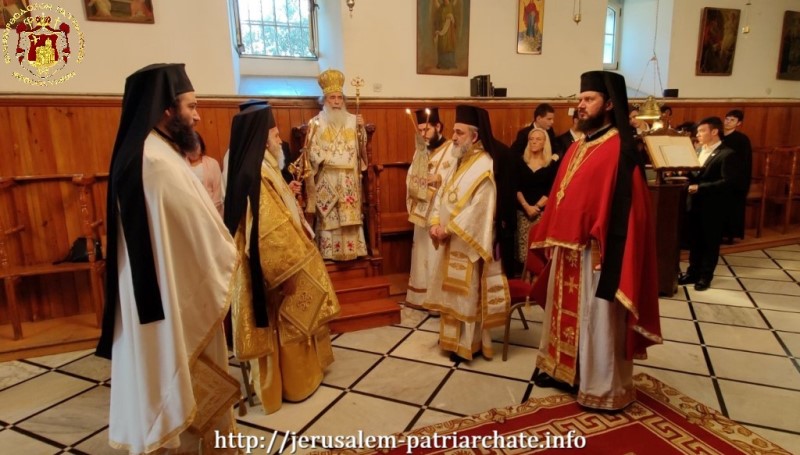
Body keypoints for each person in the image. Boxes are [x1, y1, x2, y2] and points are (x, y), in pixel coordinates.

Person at [95, 64, 239, 453]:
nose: (197, 114)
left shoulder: (150, 150)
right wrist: (229, 251)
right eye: (190, 105)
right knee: (177, 377)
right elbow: (200, 232)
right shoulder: (156, 161)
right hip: (171, 296)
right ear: (166, 110)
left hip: (159, 292)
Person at [529, 71, 661, 411]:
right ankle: (562, 370)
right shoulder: (576, 147)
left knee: (596, 320)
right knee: (565, 314)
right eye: (580, 99)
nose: (580, 105)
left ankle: (600, 385)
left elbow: (633, 211)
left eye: (589, 99)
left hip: (598, 254)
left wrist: (609, 244)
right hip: (567, 250)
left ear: (609, 104)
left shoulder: (621, 150)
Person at [224, 103, 340, 414]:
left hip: (283, 263)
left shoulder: (265, 167)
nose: (279, 141)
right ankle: (291, 384)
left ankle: (303, 376)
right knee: (283, 324)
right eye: (275, 135)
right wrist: (286, 272)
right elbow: (267, 231)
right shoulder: (257, 173)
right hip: (276, 271)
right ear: (263, 139)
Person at [424, 105, 509, 361]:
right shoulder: (459, 161)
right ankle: (450, 340)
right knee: (451, 293)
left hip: (467, 242)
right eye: (453, 131)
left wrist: (448, 229)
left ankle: (467, 344)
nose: (454, 137)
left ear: (474, 136)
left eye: (459, 133)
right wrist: (435, 222)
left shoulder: (484, 166)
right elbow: (443, 194)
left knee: (467, 293)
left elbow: (480, 209)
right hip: (449, 239)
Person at [305, 68, 368, 261]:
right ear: (324, 100)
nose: (337, 102)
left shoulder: (353, 120)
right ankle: (329, 253)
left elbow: (361, 147)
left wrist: (361, 130)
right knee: (329, 218)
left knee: (349, 217)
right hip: (327, 177)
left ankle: (353, 251)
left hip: (348, 177)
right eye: (332, 98)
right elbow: (310, 150)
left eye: (340, 98)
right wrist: (323, 158)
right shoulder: (315, 123)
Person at [679, 117, 742, 291]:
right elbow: (695, 175)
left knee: (710, 243)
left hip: (713, 206)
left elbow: (728, 182)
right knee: (695, 241)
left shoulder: (727, 154)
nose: (698, 134)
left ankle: (705, 277)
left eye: (702, 131)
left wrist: (699, 188)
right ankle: (692, 273)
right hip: (695, 204)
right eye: (698, 131)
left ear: (714, 132)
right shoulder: (699, 151)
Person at [406, 108, 457, 309]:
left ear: (438, 127)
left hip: (440, 213)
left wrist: (440, 179)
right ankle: (421, 297)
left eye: (426, 129)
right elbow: (410, 177)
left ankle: (437, 301)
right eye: (419, 130)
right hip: (422, 211)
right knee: (422, 252)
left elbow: (458, 179)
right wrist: (418, 182)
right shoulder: (420, 150)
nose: (423, 134)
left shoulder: (452, 149)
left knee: (437, 255)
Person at [513, 128, 557, 272]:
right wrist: (526, 206)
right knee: (522, 253)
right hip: (522, 213)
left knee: (537, 253)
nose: (534, 142)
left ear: (545, 143)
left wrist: (536, 207)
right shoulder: (520, 161)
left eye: (538, 139)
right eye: (531, 139)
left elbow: (552, 189)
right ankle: (523, 282)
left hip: (541, 215)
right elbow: (516, 187)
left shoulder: (551, 164)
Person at [721, 109, 752, 242]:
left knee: (733, 207)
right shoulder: (719, 136)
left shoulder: (742, 139)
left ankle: (731, 235)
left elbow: (744, 161)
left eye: (732, 120)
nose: (728, 122)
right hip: (721, 176)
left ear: (739, 123)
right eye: (727, 119)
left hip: (735, 178)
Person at [185, 131, 223, 216]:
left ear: (201, 145)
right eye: (189, 147)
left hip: (213, 211)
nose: (193, 151)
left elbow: (218, 192)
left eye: (195, 146)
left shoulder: (213, 163)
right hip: (191, 213)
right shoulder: (181, 165)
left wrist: (210, 212)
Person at [433, 0, 458, 70]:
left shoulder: (452, 7)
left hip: (450, 32)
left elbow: (456, 20)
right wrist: (439, 28)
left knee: (449, 46)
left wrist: (452, 18)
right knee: (442, 46)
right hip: (442, 31)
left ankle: (450, 63)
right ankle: (441, 64)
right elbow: (436, 20)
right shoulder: (440, 8)